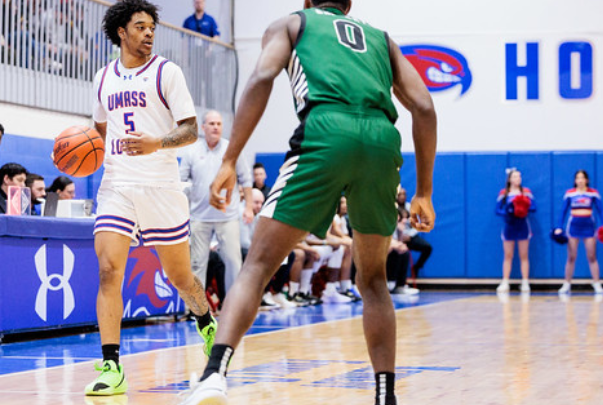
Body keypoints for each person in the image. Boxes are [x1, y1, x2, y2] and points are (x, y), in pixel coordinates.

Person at [177, 1, 437, 404]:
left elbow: (263, 75)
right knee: (372, 280)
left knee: (258, 265)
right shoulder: (382, 40)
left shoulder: (293, 23)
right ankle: (386, 396)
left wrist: (230, 159)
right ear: (348, 5)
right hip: (383, 141)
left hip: (326, 131)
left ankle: (213, 375)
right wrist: (424, 193)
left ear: (307, 2)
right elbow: (423, 106)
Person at [85, 0, 216, 396]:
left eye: (151, 28)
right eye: (140, 26)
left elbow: (190, 130)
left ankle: (206, 321)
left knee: (180, 277)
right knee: (109, 270)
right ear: (121, 32)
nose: (148, 33)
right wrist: (83, 153)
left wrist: (157, 142)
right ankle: (112, 365)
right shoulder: (102, 78)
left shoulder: (166, 73)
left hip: (161, 185)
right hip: (117, 185)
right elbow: (99, 132)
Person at [179, 110, 254, 295]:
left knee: (233, 262)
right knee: (197, 263)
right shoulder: (191, 152)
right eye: (212, 124)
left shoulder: (232, 149)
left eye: (219, 124)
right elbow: (181, 182)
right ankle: (196, 310)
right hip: (199, 216)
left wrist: (250, 208)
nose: (216, 127)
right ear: (203, 128)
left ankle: (232, 304)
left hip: (227, 216)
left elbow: (246, 180)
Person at [555, 170, 603, 294]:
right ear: (575, 181)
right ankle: (567, 283)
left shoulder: (593, 193)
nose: (580, 180)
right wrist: (559, 227)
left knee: (592, 256)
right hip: (573, 227)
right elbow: (563, 211)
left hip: (589, 227)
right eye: (577, 178)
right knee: (571, 257)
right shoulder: (570, 194)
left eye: (582, 178)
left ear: (586, 180)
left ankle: (596, 283)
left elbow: (601, 211)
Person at [495, 169, 536, 293]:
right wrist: (509, 211)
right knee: (508, 255)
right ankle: (505, 281)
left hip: (523, 225)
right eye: (515, 176)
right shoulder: (504, 193)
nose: (518, 179)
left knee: (524, 255)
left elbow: (534, 207)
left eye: (519, 176)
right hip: (509, 225)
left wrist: (523, 208)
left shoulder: (526, 192)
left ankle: (525, 282)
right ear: (509, 179)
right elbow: (497, 210)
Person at [396, 188, 433, 280]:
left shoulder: (410, 207)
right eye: (400, 194)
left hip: (409, 237)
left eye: (404, 194)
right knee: (399, 253)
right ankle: (395, 279)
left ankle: (417, 267)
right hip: (396, 238)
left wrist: (409, 236)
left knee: (427, 247)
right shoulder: (392, 208)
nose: (402, 197)